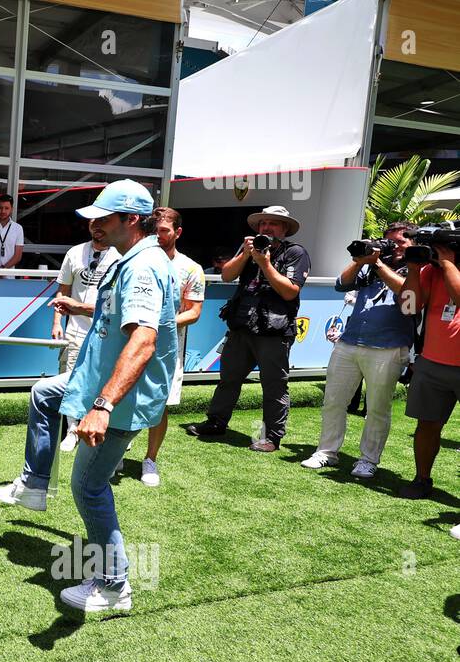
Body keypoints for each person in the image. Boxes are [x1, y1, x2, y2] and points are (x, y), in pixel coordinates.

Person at [0, 179, 178, 612]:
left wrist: (102, 405)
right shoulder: (129, 258)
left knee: (89, 488)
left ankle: (114, 585)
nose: (95, 222)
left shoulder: (142, 266)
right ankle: (35, 484)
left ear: (131, 220)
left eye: (104, 216)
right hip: (94, 381)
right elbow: (117, 316)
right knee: (44, 393)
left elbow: (144, 340)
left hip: (118, 398)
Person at [187, 205, 311, 452]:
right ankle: (216, 422)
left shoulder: (296, 252)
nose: (266, 228)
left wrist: (265, 264)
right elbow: (226, 276)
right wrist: (245, 255)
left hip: (273, 331)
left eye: (273, 223)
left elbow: (289, 291)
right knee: (228, 379)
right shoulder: (250, 248)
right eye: (263, 224)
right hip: (242, 326)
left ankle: (271, 437)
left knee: (273, 385)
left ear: (284, 228)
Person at [300, 224, 415, 479]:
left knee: (376, 408)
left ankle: (368, 460)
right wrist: (361, 259)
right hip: (350, 341)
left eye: (399, 241)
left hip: (389, 346)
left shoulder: (419, 268)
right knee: (333, 401)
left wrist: (377, 265)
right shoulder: (372, 263)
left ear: (413, 244)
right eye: (389, 241)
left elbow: (407, 293)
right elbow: (341, 284)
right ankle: (326, 452)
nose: (393, 246)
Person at [139, 207, 205, 487]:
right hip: (131, 342)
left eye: (164, 231)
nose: (158, 236)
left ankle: (150, 459)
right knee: (123, 397)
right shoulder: (136, 262)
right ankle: (115, 453)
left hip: (167, 349)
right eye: (154, 230)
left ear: (178, 232)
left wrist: (161, 323)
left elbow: (194, 312)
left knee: (159, 405)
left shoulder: (191, 268)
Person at [397, 230, 460, 501]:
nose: (434, 253)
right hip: (433, 362)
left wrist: (446, 263)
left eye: (440, 248)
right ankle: (422, 478)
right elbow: (410, 307)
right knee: (427, 424)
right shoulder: (430, 272)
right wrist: (413, 270)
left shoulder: (444, 268)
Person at [51, 215, 119, 451]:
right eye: (93, 223)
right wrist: (57, 323)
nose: (97, 228)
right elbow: (63, 291)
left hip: (106, 332)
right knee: (71, 380)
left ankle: (104, 430)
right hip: (75, 330)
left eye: (102, 224)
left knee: (104, 382)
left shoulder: (120, 256)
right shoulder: (75, 252)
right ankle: (72, 430)